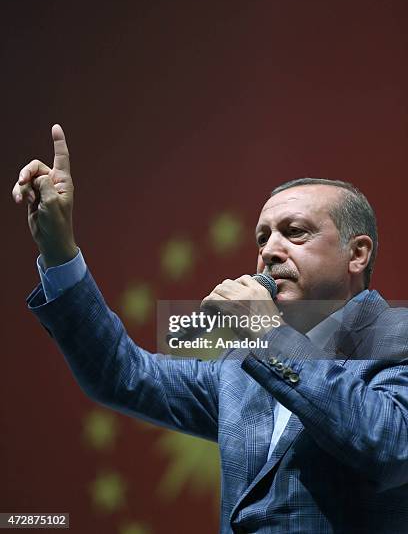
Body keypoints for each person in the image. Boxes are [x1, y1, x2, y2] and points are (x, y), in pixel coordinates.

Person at [12, 125, 408, 534]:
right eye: (262, 238)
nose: (269, 251)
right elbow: (121, 373)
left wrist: (265, 331)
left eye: (295, 232)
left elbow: (392, 446)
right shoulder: (240, 368)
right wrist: (59, 252)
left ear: (357, 253)